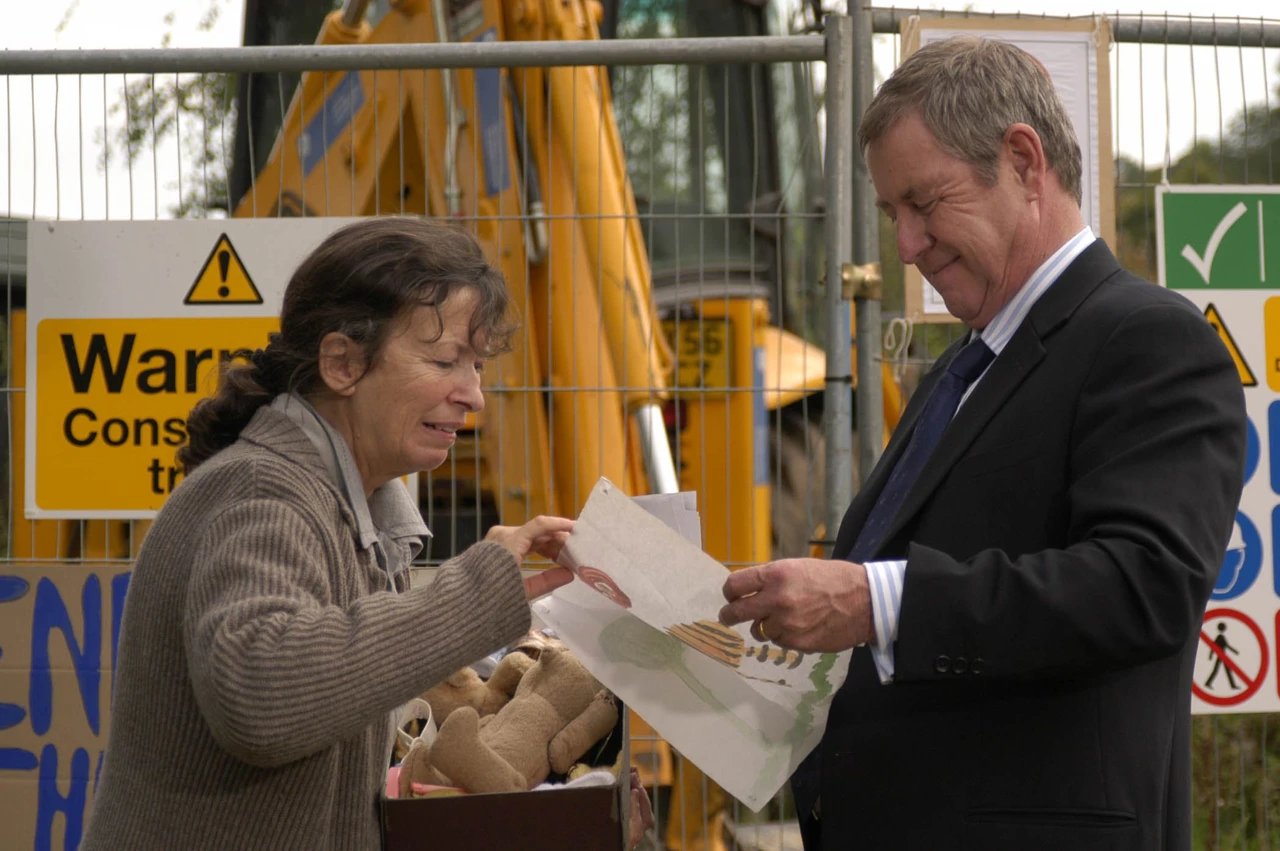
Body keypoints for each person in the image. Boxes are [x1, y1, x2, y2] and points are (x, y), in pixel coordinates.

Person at [719, 36, 1246, 851]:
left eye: (924, 203)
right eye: (892, 213)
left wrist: (871, 601)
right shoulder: (962, 368)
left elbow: (1144, 585)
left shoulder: (1146, 338)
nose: (905, 245)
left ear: (1025, 162)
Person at [82, 218, 652, 850]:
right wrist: (471, 598)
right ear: (342, 363)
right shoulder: (262, 493)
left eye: (479, 366)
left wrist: (552, 805)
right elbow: (261, 701)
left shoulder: (353, 513)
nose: (474, 396)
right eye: (444, 361)